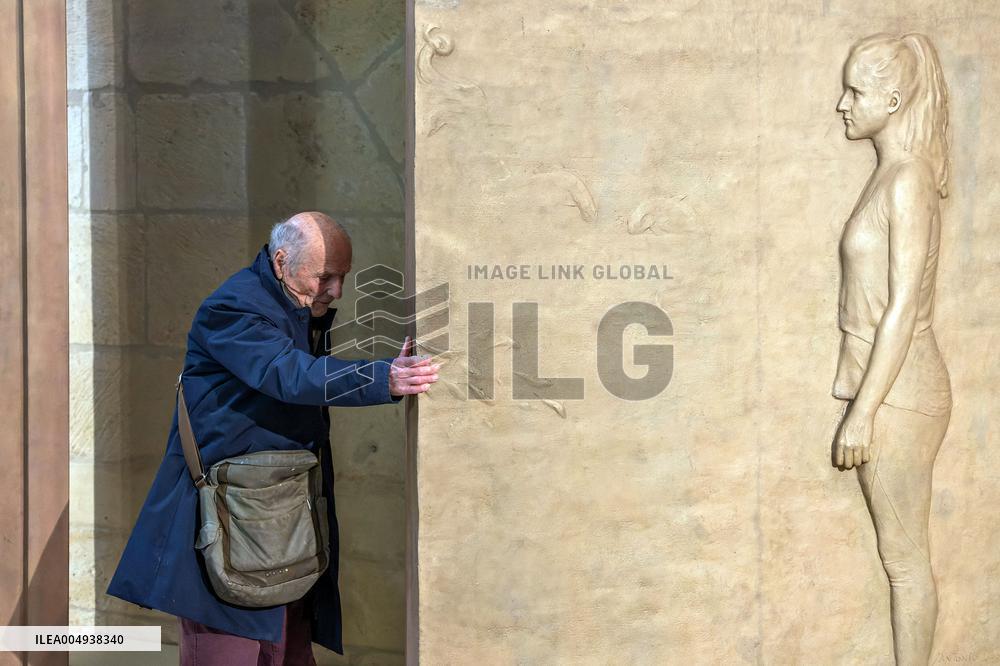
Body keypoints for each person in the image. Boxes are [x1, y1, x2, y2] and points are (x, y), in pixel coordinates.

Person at [107, 212, 439, 665]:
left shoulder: (295, 305)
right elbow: (287, 374)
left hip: (281, 531)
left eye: (342, 277)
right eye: (325, 276)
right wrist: (383, 378)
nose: (337, 290)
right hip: (222, 532)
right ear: (282, 261)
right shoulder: (232, 308)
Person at [832, 34, 952, 665]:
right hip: (889, 387)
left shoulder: (909, 180)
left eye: (856, 90)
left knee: (905, 562)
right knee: (899, 557)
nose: (843, 105)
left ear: (894, 99)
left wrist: (864, 411)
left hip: (901, 393)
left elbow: (903, 307)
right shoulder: (892, 174)